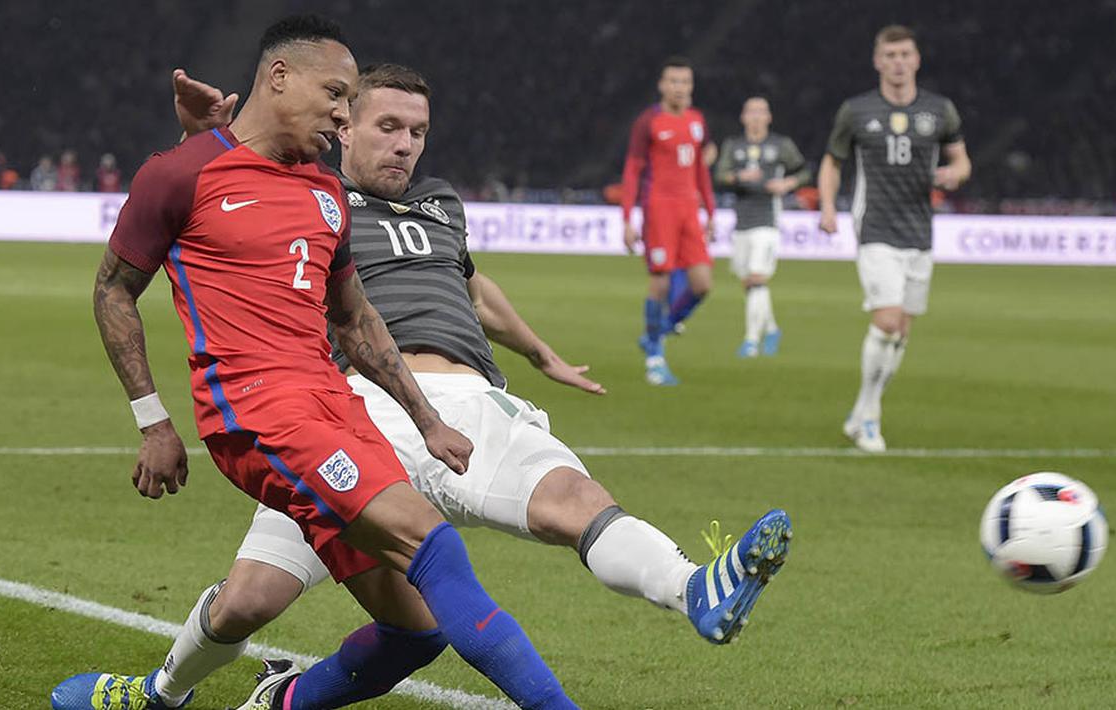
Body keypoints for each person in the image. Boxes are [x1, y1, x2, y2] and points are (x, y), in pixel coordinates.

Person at [53, 59, 792, 710]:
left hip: (465, 403)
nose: (404, 143)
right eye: (384, 124)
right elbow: (218, 190)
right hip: (342, 410)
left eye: (418, 130)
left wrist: (540, 355)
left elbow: (472, 291)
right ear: (342, 126)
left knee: (574, 506)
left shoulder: (441, 205)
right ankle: (161, 693)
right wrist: (208, 133)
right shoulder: (310, 191)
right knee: (248, 600)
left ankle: (694, 586)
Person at [50, 16, 575, 710]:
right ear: (277, 77)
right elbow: (114, 288)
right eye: (334, 93)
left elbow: (355, 319)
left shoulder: (325, 193)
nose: (342, 112)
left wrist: (425, 421)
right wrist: (153, 422)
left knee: (415, 630)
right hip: (255, 411)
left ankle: (190, 699)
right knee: (435, 546)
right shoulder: (182, 172)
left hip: (336, 406)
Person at [817, 25, 971, 452]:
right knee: (886, 320)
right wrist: (828, 208)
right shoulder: (857, 111)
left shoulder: (939, 111)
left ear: (916, 59)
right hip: (876, 229)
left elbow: (962, 161)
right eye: (891, 55)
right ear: (878, 61)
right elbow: (832, 163)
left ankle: (861, 411)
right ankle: (869, 417)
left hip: (920, 233)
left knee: (901, 331)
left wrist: (954, 174)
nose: (898, 62)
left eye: (905, 54)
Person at [619, 57, 717, 386]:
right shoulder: (649, 121)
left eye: (685, 82)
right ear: (662, 85)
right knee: (660, 282)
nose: (679, 87)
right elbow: (632, 170)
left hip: (690, 210)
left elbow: (701, 170)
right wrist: (628, 218)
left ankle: (658, 331)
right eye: (673, 81)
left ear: (691, 86)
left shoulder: (696, 120)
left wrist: (711, 212)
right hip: (659, 208)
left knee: (702, 284)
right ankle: (655, 358)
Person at [714, 97, 810, 358]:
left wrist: (787, 184)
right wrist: (738, 177)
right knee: (749, 283)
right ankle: (772, 329)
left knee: (758, 277)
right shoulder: (734, 147)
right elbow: (719, 175)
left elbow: (804, 172)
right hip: (742, 220)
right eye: (751, 112)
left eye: (761, 112)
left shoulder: (780, 146)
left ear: (769, 117)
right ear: (743, 117)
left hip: (768, 219)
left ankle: (750, 341)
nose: (756, 117)